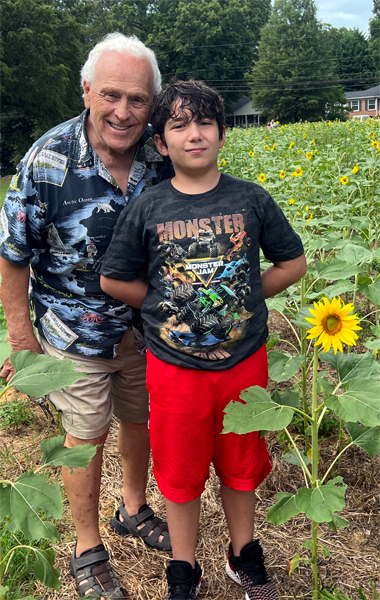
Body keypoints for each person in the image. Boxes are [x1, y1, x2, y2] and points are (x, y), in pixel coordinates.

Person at [100, 79, 307, 600]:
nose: (194, 134)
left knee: (240, 465)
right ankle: (183, 569)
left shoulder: (251, 198)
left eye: (205, 123)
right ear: (161, 143)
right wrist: (164, 304)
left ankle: (244, 556)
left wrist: (246, 297)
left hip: (244, 363)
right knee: (180, 471)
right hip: (174, 370)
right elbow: (113, 278)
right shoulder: (148, 208)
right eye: (179, 125)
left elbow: (293, 263)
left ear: (220, 133)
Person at [0, 33, 173, 599]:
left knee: (138, 419)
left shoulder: (161, 151)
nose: (124, 112)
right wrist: (21, 336)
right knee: (85, 436)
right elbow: (13, 253)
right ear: (87, 91)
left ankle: (134, 506)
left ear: (153, 102)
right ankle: (87, 545)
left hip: (145, 330)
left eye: (138, 100)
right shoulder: (47, 160)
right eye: (112, 96)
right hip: (74, 333)